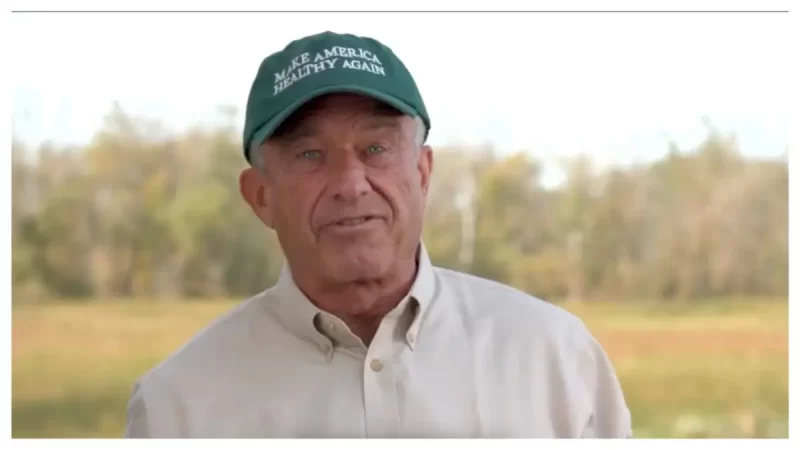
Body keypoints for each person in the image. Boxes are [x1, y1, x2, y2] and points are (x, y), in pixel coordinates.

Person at [124, 31, 632, 439]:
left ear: (424, 172)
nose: (350, 183)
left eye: (376, 148)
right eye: (309, 155)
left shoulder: (555, 359)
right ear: (261, 196)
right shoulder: (179, 407)